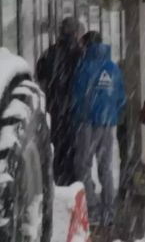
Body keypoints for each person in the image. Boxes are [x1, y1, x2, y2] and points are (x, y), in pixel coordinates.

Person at [71, 32, 126, 226]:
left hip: (88, 123)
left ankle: (92, 209)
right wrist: (111, 114)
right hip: (108, 124)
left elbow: (77, 96)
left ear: (87, 45)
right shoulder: (113, 68)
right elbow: (121, 97)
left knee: (83, 166)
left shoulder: (84, 67)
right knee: (105, 167)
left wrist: (78, 117)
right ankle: (109, 210)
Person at [35, 17, 83, 185]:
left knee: (57, 145)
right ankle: (71, 182)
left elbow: (39, 74)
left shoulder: (50, 53)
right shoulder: (80, 54)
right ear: (75, 33)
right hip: (74, 109)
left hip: (54, 108)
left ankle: (57, 179)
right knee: (73, 147)